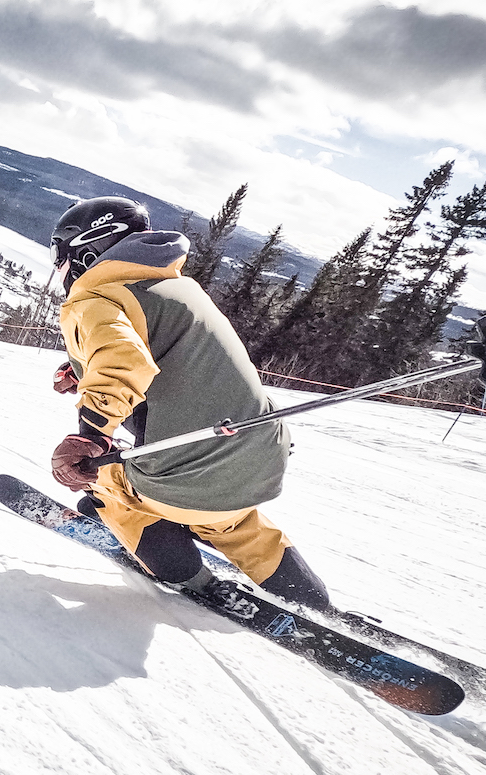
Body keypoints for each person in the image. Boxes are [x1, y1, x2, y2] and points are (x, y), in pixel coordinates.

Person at [47, 196, 331, 611]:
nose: (60, 268)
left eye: (60, 255)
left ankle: (191, 579)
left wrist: (90, 437)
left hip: (187, 477)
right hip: (258, 456)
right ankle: (317, 607)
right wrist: (84, 368)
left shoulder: (95, 298)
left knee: (102, 480)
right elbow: (179, 357)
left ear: (88, 250)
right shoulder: (178, 287)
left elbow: (123, 360)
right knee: (235, 523)